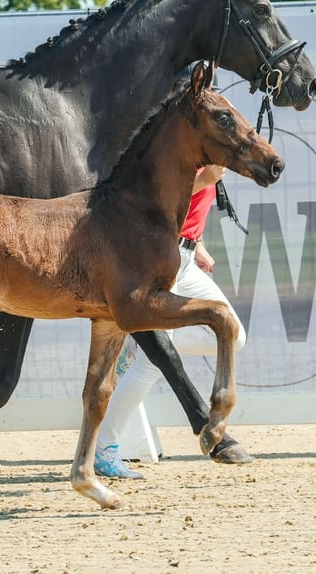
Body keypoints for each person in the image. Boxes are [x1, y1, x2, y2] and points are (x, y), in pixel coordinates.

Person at [94, 164, 247, 479]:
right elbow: (156, 196)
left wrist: (197, 242)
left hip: (186, 257)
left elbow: (187, 205)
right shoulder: (184, 138)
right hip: (163, 256)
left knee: (233, 335)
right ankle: (103, 448)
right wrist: (204, 179)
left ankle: (138, 346)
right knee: (154, 364)